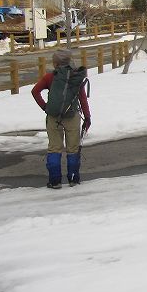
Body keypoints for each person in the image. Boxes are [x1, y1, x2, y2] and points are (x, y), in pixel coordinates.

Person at [32, 49, 91, 188]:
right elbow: (82, 98)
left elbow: (35, 91)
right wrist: (87, 117)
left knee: (54, 148)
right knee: (73, 148)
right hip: (72, 116)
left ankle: (55, 181)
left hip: (54, 117)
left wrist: (45, 107)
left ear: (55, 63)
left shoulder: (49, 77)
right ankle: (73, 179)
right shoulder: (75, 77)